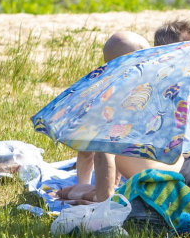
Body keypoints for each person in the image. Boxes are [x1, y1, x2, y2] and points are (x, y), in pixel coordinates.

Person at [56, 31, 151, 205]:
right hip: (133, 157)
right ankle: (96, 190)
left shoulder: (103, 90)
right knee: (106, 151)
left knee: (99, 148)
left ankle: (88, 187)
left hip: (128, 155)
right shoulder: (142, 87)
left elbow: (87, 152)